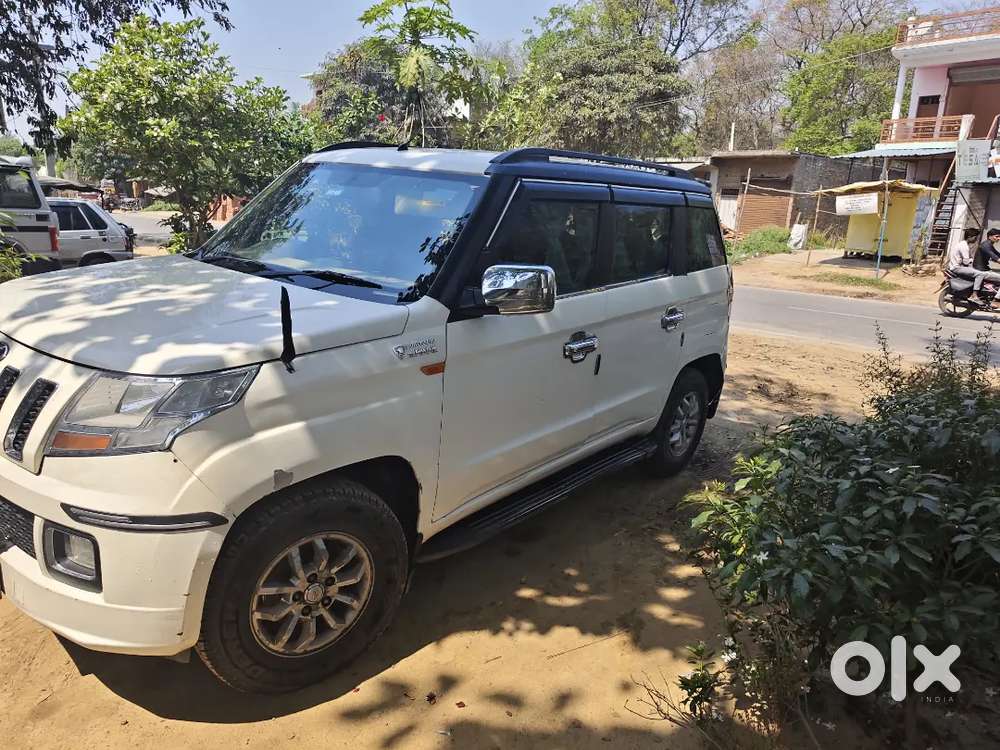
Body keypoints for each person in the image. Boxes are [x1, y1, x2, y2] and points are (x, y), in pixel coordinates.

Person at [972, 227, 1000, 301]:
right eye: (997, 236)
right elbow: (995, 257)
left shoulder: (989, 245)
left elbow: (997, 254)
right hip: (981, 270)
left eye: (999, 237)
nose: (998, 238)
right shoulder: (986, 245)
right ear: (990, 236)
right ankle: (997, 300)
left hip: (984, 269)